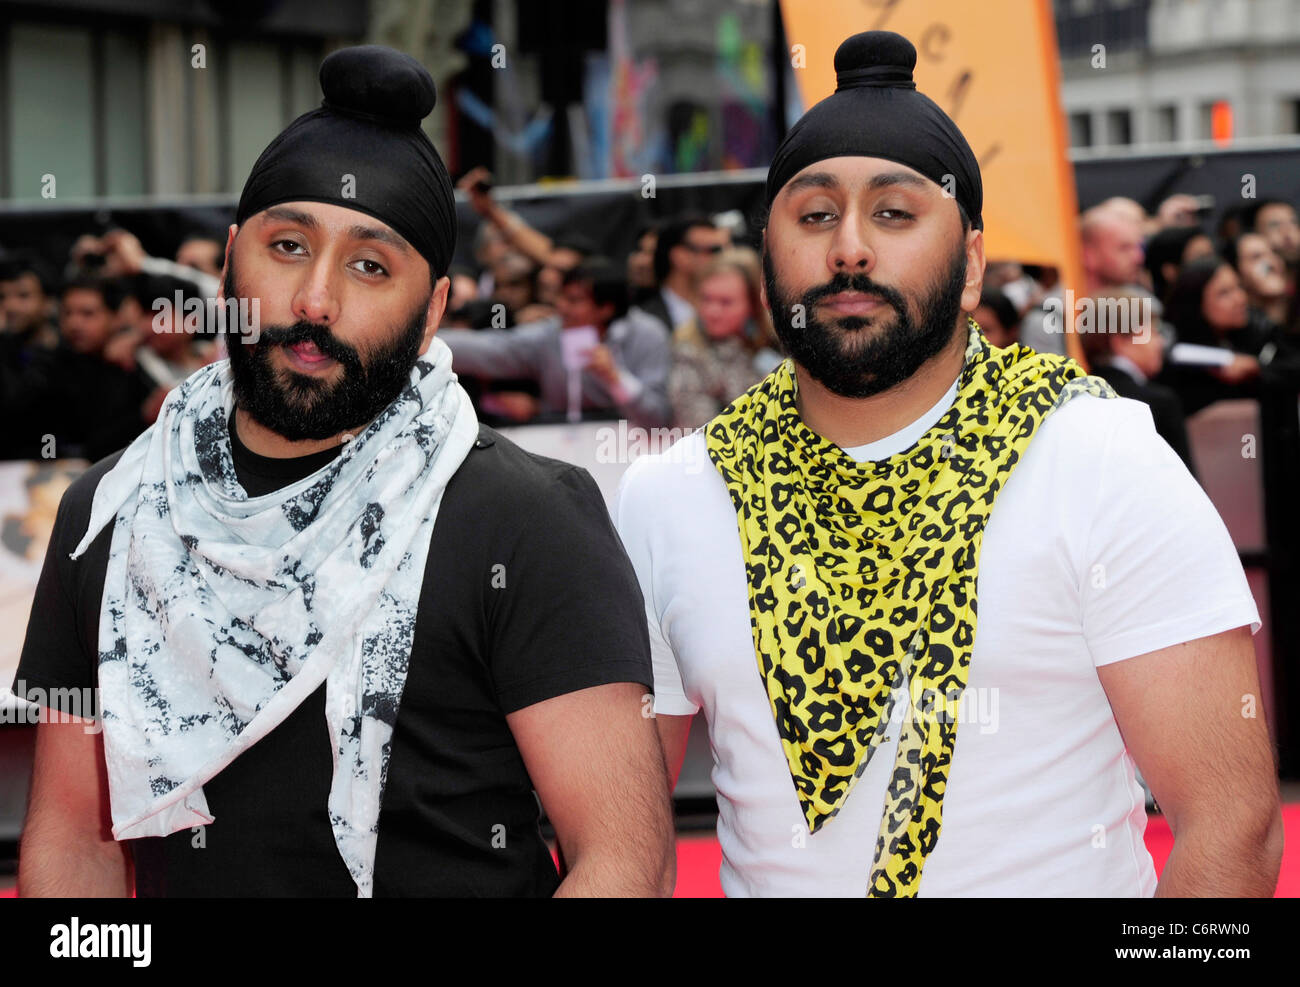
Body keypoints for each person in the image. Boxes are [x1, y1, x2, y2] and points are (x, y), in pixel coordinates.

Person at [615, 30, 1281, 897]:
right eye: (814, 215)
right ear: (768, 253)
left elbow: (1233, 828)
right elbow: (623, 849)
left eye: (894, 213)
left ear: (970, 264)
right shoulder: (668, 494)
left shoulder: (1098, 453)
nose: (849, 248)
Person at [12, 45, 673, 899]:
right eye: (286, 245)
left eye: (370, 265)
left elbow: (625, 864)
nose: (315, 300)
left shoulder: (526, 516)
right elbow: (74, 843)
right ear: (227, 258)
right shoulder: (108, 510)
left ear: (434, 307)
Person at [441, 257, 672, 427]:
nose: (561, 307)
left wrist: (616, 378)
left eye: (574, 301)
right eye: (562, 297)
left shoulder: (648, 335)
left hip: (627, 451)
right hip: (563, 451)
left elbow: (659, 419)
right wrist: (426, 340)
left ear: (606, 309)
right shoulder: (550, 335)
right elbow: (492, 349)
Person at [1081, 287, 1197, 479]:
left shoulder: (1073, 400)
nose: (1160, 342)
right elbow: (1188, 487)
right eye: (1152, 332)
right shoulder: (1159, 404)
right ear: (1121, 342)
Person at [669, 247, 780, 429]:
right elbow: (701, 428)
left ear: (753, 303)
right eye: (706, 299)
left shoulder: (778, 341)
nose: (712, 311)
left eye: (725, 302)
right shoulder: (688, 351)